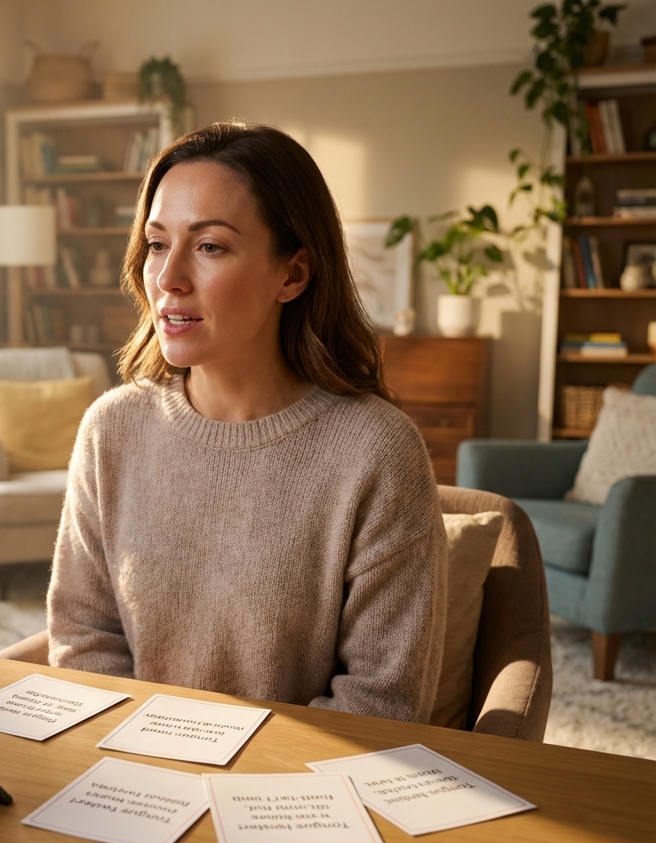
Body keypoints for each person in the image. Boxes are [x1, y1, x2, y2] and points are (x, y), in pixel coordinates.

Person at [47, 122, 447, 723]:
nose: (169, 278)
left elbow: (382, 700)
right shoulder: (111, 430)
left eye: (210, 246)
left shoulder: (378, 451)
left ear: (293, 275)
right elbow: (83, 640)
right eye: (158, 244)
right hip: (133, 776)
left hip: (296, 797)